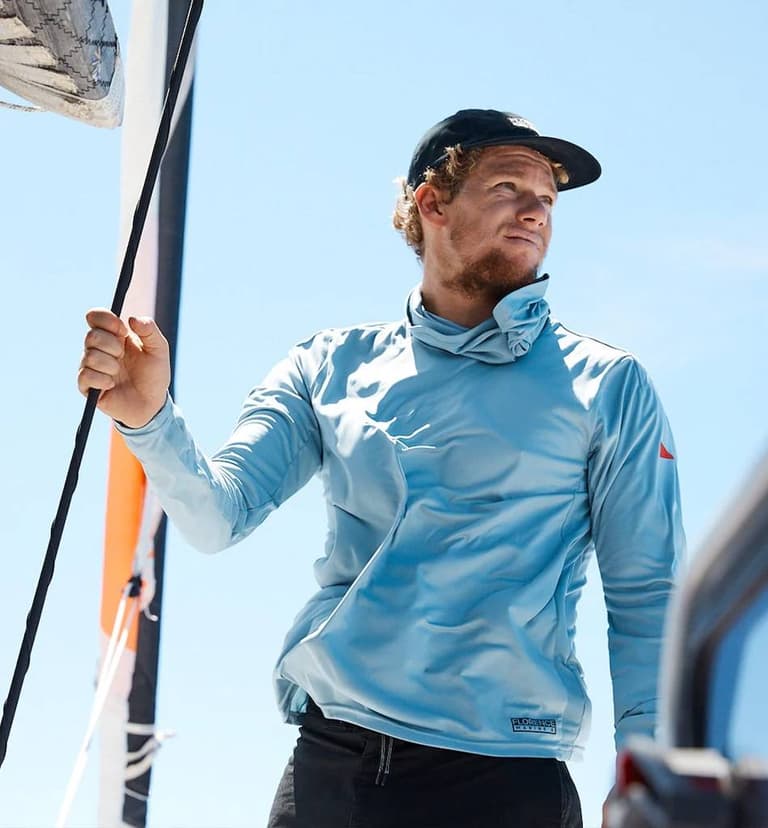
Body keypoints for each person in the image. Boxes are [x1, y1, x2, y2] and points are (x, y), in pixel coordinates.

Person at [79, 109, 685, 828]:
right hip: (332, 771)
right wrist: (149, 419)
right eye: (507, 187)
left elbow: (648, 598)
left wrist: (645, 770)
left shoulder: (609, 386)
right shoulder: (327, 365)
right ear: (431, 203)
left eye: (546, 199)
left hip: (506, 782)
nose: (535, 212)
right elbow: (217, 516)